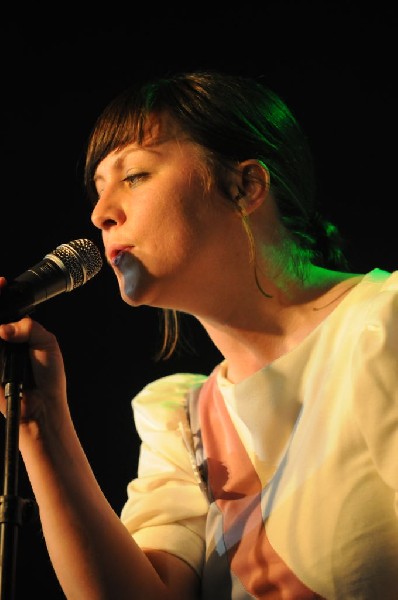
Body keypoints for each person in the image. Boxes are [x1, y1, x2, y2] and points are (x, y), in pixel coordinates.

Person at [0, 70, 397, 599]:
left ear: (245, 185)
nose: (100, 214)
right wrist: (39, 425)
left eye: (135, 176)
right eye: (98, 190)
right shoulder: (182, 421)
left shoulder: (380, 325)